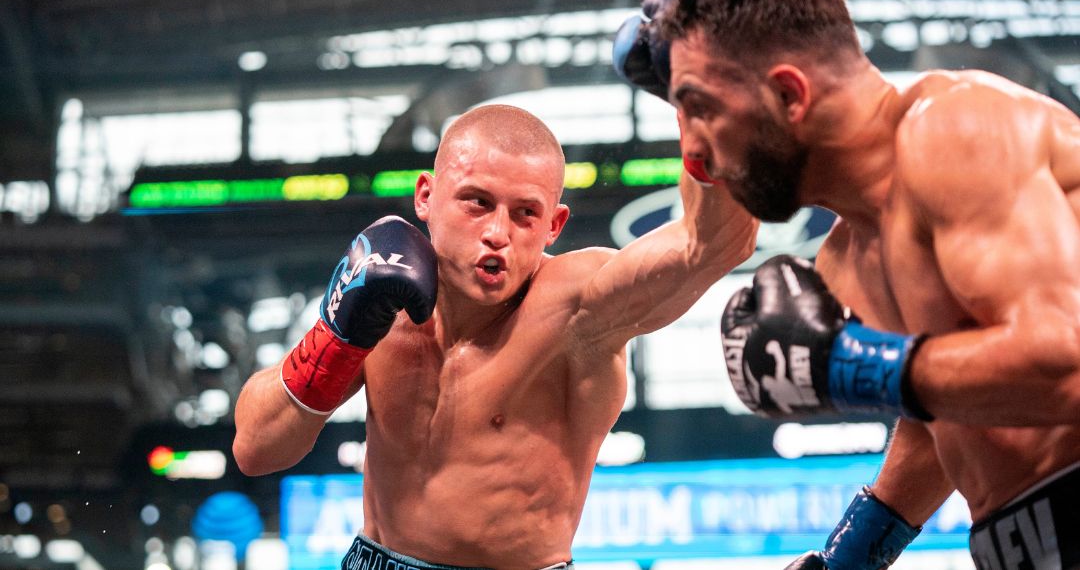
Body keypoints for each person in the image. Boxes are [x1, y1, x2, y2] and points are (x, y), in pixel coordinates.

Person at [615, 0, 1080, 567]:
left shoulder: (957, 128)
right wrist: (853, 554)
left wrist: (852, 366)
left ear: (788, 94)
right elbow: (952, 399)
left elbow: (1064, 368)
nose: (696, 154)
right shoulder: (846, 253)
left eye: (700, 109)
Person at [232, 103, 758, 570]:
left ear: (555, 226)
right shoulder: (384, 288)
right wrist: (336, 335)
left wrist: (709, 114)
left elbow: (713, 245)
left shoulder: (577, 307)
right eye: (476, 202)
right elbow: (255, 449)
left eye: (525, 214)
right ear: (425, 195)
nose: (498, 233)